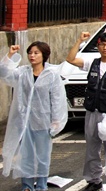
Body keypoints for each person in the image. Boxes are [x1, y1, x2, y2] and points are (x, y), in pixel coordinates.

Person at [0, 42, 68, 191]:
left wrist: (56, 121)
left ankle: (41, 185)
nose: (32, 56)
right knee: (26, 156)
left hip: (43, 122)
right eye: (30, 53)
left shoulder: (51, 74)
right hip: (24, 122)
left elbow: (57, 99)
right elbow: (4, 73)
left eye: (36, 53)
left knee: (42, 157)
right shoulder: (23, 72)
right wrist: (10, 55)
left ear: (44, 55)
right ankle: (27, 185)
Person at [65, 32, 106, 191]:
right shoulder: (93, 62)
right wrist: (79, 40)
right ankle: (94, 180)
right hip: (92, 111)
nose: (105, 48)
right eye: (102, 44)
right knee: (92, 148)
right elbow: (70, 59)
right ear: (98, 46)